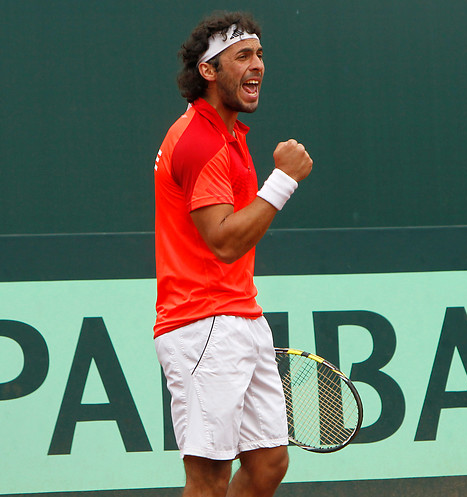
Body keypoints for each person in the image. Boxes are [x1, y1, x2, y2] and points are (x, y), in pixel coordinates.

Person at [153, 11, 313, 497]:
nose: (258, 65)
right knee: (208, 478)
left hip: (240, 314)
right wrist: (283, 181)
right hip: (202, 324)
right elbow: (223, 242)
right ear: (208, 71)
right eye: (242, 56)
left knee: (268, 465)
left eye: (260, 55)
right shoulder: (199, 141)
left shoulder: (228, 135)